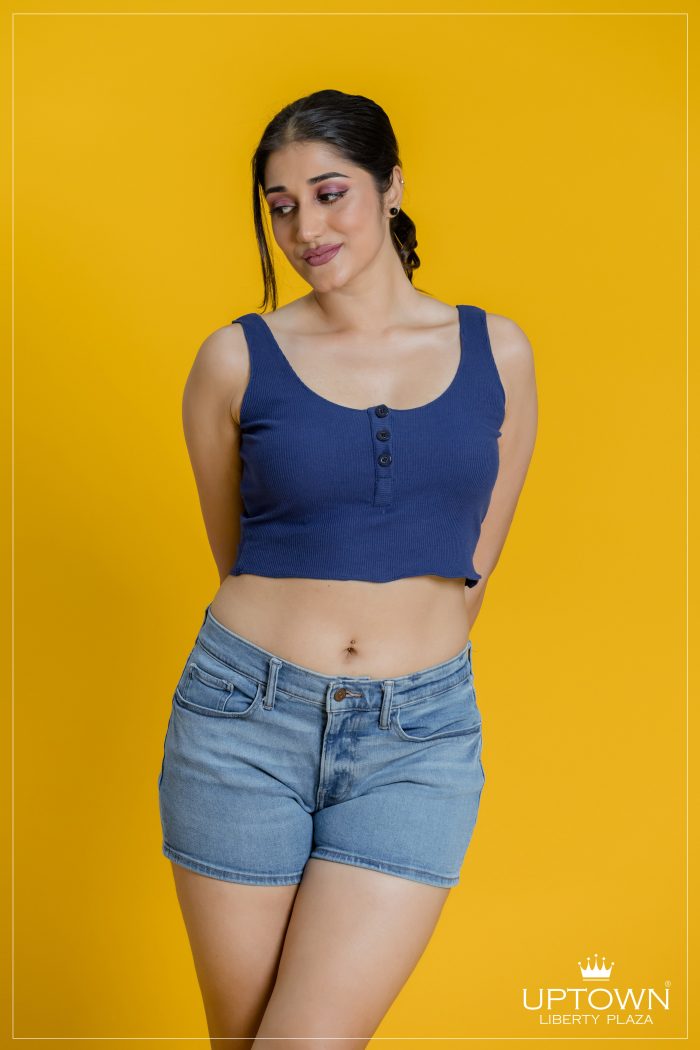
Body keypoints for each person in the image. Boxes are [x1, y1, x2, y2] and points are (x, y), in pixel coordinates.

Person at [157, 88, 538, 1049]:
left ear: (391, 185)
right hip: (242, 722)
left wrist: (402, 669)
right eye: (281, 207)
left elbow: (475, 563)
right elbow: (239, 552)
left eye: (330, 195)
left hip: (418, 739)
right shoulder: (233, 360)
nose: (305, 230)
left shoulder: (499, 351)